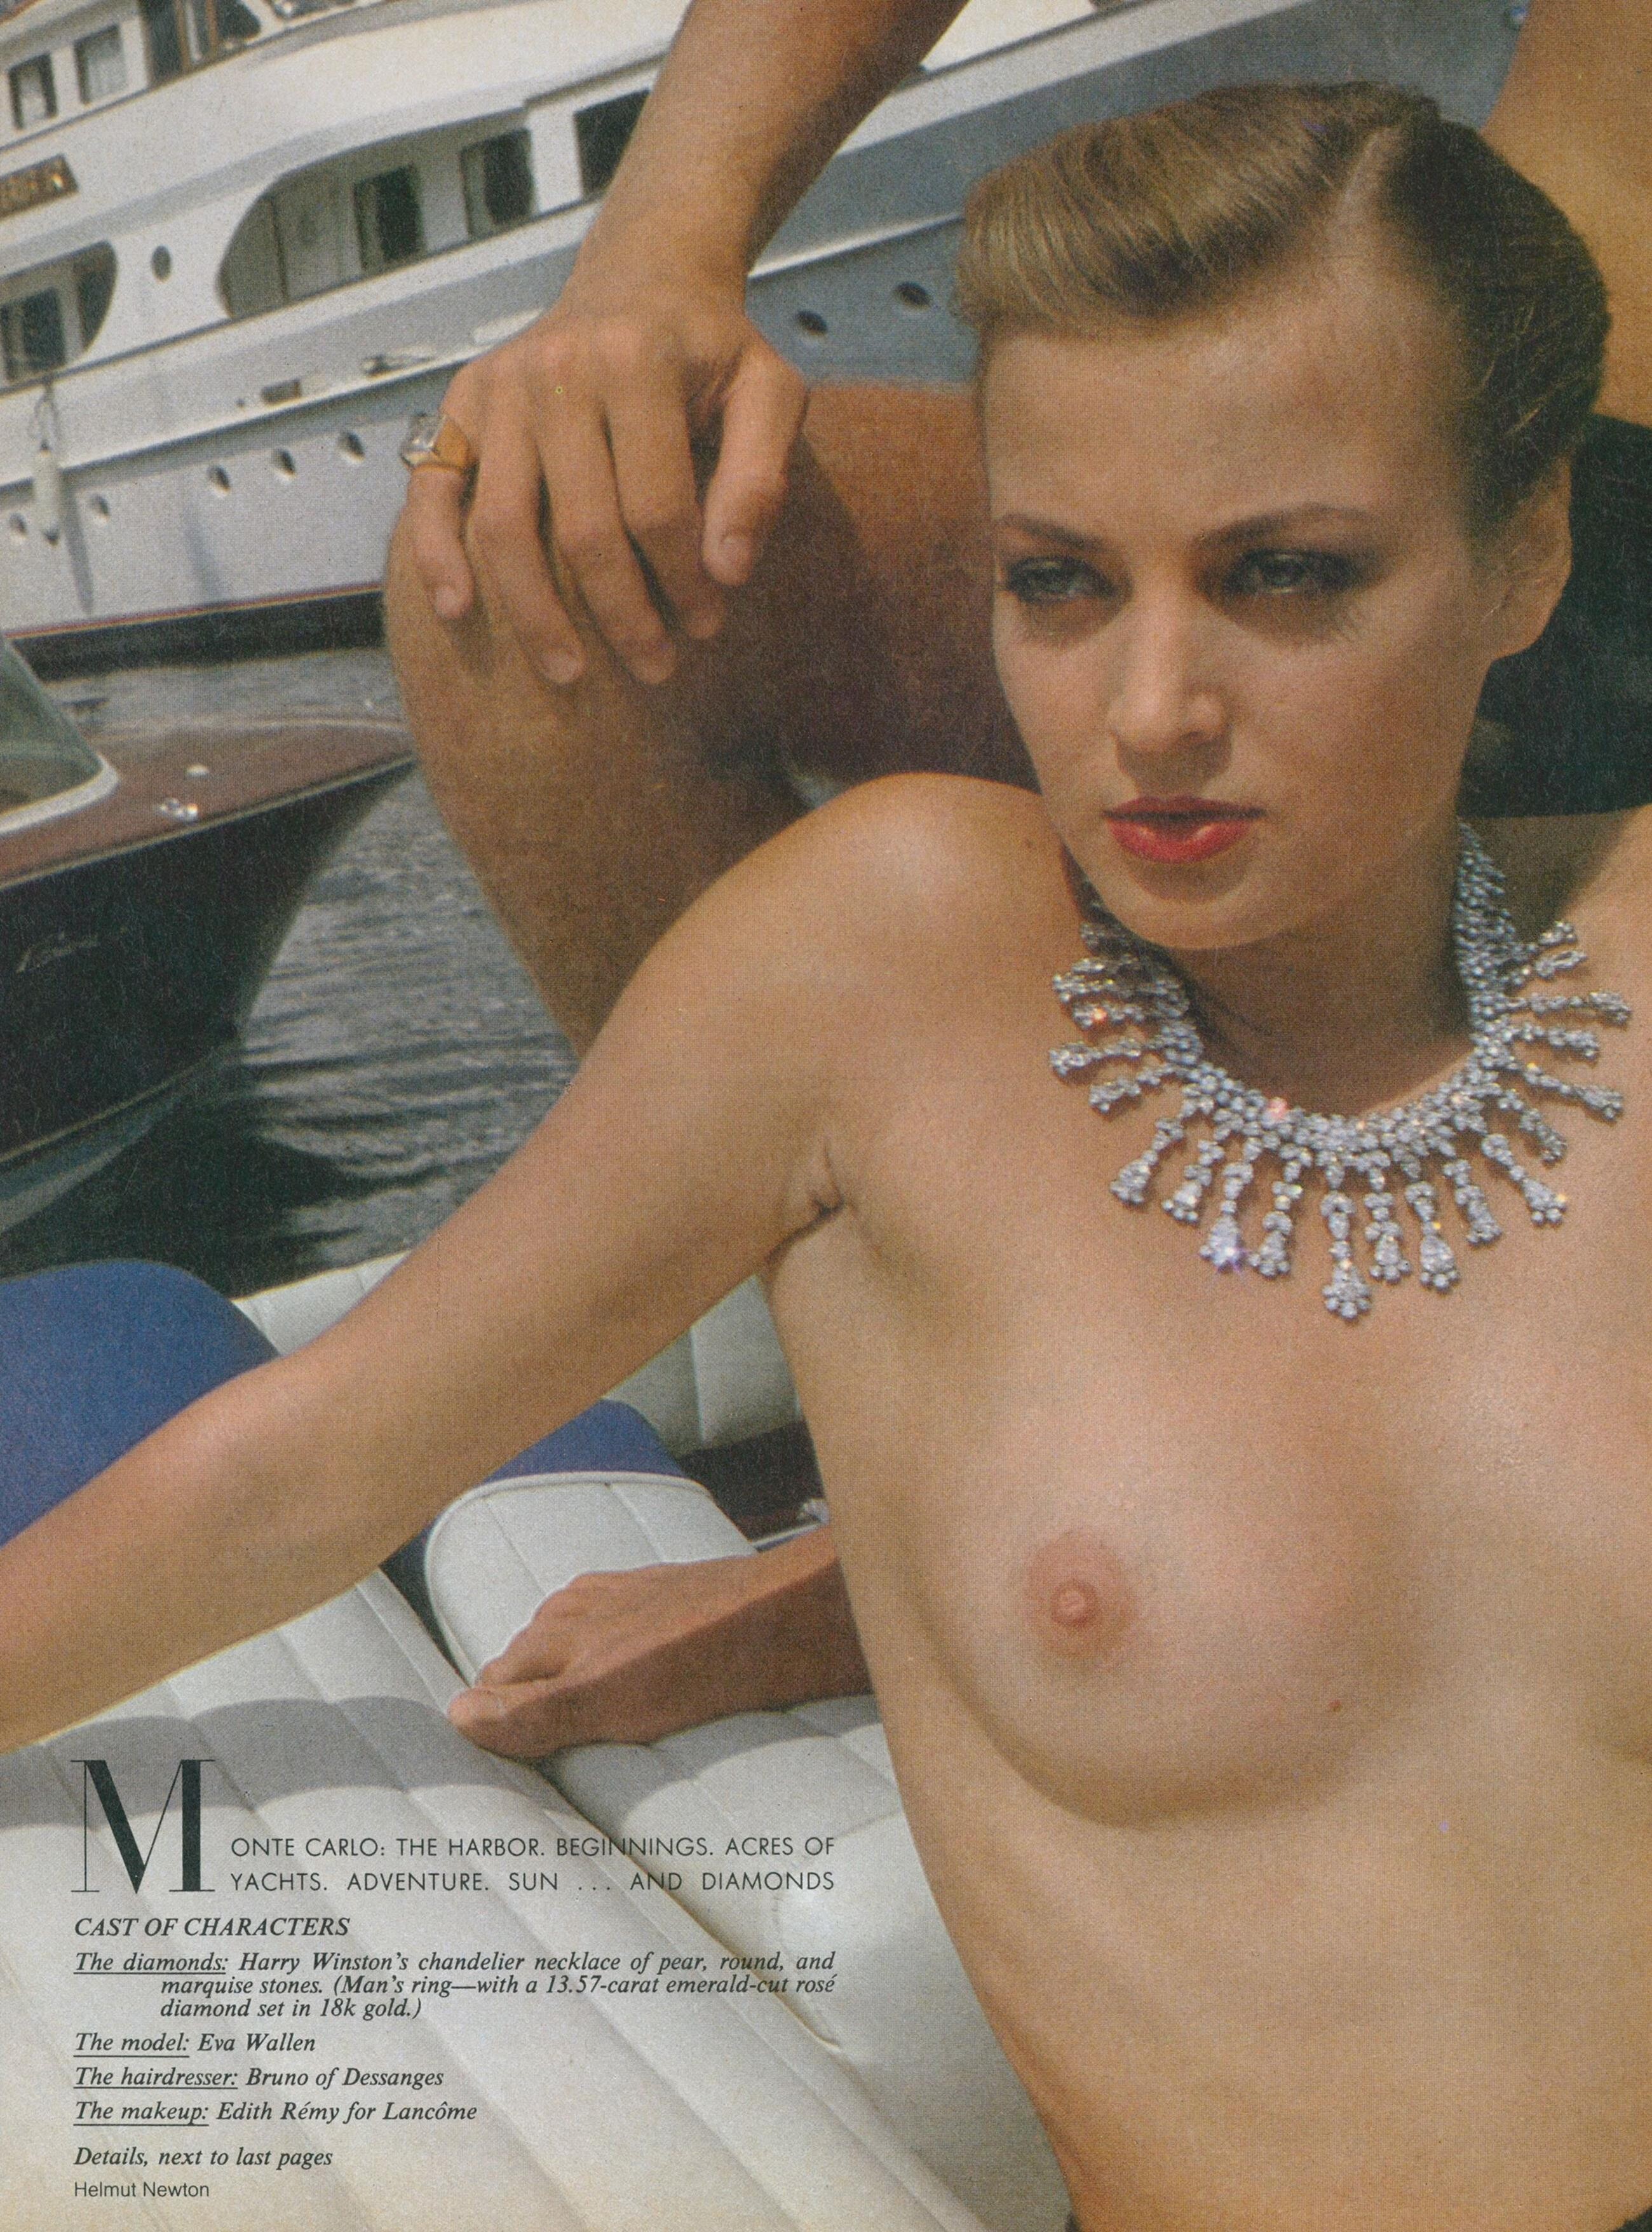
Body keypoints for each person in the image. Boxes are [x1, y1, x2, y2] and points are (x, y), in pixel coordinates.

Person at [4, 83, 1651, 2229]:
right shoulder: (887, 966)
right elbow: (302, 1475)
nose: (1154, 705)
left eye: (1288, 576)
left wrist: (829, 1598)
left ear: (1527, 558)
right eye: (1059, 583)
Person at [384, 0, 1652, 1756]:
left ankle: (1022, 1547)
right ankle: (949, 1466)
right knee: (554, 549)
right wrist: (656, 256)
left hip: (1480, 523)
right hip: (1551, 443)